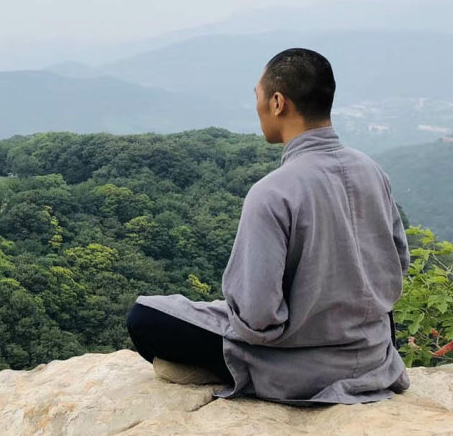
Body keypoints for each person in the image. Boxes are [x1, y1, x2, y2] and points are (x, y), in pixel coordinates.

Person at [127, 48, 411, 405]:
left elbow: (259, 318)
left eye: (258, 97)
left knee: (146, 316)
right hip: (374, 354)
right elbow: (398, 268)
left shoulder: (272, 193)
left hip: (299, 365)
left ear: (278, 102)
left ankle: (236, 370)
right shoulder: (373, 171)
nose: (258, 107)